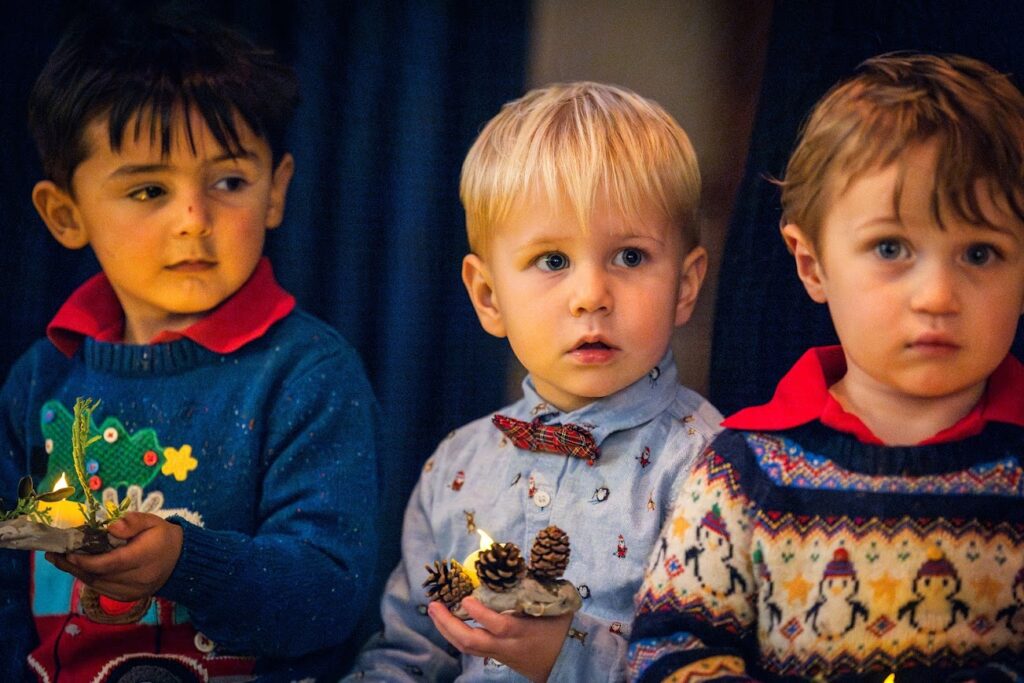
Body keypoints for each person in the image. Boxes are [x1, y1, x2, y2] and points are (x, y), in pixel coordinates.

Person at [0, 6, 378, 681]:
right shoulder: (39, 379)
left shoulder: (309, 373)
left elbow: (328, 595)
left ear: (275, 192)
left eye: (228, 182)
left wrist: (184, 562)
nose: (195, 220)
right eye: (149, 188)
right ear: (66, 214)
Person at [629, 52, 1024, 681]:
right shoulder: (743, 470)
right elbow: (671, 647)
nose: (938, 296)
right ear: (812, 265)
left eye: (981, 252)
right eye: (891, 248)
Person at [345, 81, 721, 682]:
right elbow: (410, 653)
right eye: (552, 261)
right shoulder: (455, 467)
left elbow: (715, 668)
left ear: (685, 284)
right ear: (488, 297)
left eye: (629, 256)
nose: (591, 295)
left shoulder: (712, 467)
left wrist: (568, 655)